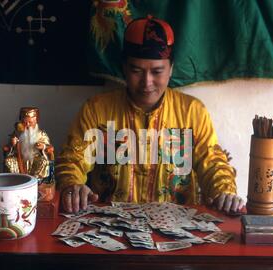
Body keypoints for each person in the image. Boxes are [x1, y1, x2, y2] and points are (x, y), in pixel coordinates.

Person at [56, 16, 244, 213]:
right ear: (124, 68)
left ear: (170, 69)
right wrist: (72, 185)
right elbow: (72, 159)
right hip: (110, 225)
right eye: (137, 71)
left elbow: (212, 163)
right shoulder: (96, 110)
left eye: (157, 72)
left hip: (176, 228)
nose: (147, 82)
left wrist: (224, 192)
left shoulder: (192, 112)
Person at [3, 107, 54, 184]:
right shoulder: (17, 133)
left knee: (44, 161)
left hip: (35, 158)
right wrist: (12, 144)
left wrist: (42, 146)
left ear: (35, 121)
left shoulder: (41, 133)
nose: (27, 125)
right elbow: (9, 147)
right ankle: (16, 180)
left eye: (30, 122)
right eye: (25, 122)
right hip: (19, 158)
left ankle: (35, 181)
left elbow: (47, 145)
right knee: (8, 161)